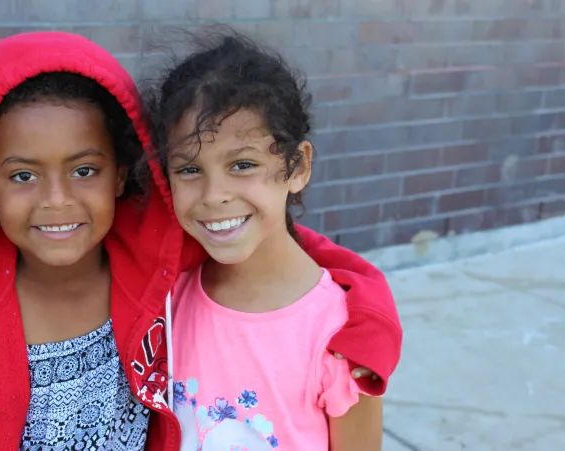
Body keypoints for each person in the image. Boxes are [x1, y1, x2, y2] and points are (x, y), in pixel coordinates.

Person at [0, 31, 399, 451]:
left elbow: (282, 247)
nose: (56, 200)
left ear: (122, 174)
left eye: (84, 170)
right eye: (22, 176)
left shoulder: (152, 265)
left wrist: (367, 313)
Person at [147, 31, 398, 450]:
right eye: (189, 170)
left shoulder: (341, 336)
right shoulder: (167, 297)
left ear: (298, 167)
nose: (214, 195)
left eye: (243, 164)